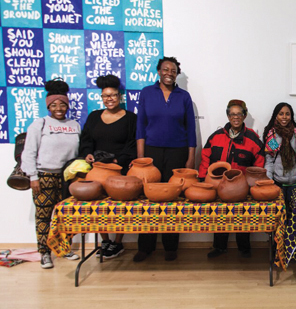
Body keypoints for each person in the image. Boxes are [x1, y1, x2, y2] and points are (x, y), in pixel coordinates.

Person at [134, 57, 197, 262]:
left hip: (177, 152)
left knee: (173, 200)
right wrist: (141, 158)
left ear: (177, 73)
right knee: (148, 200)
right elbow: (140, 126)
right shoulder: (147, 93)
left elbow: (190, 130)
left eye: (173, 70)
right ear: (158, 71)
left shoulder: (184, 96)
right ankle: (146, 247)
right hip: (151, 152)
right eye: (165, 69)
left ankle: (170, 246)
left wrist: (190, 160)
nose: (169, 72)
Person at [21, 79, 81, 269]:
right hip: (44, 176)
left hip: (66, 179)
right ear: (48, 106)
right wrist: (33, 177)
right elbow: (29, 152)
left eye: (62, 104)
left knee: (66, 215)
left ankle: (63, 249)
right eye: (54, 104)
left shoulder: (75, 125)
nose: (58, 108)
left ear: (67, 105)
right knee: (44, 216)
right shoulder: (40, 124)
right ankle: (44, 253)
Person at [79, 75, 137, 259]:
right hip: (97, 169)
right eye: (105, 96)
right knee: (98, 205)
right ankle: (105, 240)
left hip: (120, 169)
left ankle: (118, 242)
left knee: (120, 206)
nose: (109, 99)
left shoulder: (130, 118)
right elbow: (86, 139)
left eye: (112, 95)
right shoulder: (94, 116)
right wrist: (87, 153)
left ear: (120, 97)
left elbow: (132, 144)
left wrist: (119, 162)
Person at [198, 100, 265, 258]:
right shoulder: (216, 137)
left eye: (239, 114)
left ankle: (244, 248)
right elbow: (205, 158)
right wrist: (202, 179)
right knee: (220, 216)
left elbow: (259, 163)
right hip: (219, 186)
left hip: (242, 187)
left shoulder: (253, 139)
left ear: (245, 115)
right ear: (228, 116)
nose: (236, 117)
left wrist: (252, 185)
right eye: (232, 114)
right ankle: (219, 247)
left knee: (243, 217)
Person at [263, 103, 296, 208]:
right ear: (276, 115)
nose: (284, 117)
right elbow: (269, 161)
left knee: (294, 215)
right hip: (278, 184)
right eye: (281, 114)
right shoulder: (271, 135)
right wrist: (268, 182)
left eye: (287, 114)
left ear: (291, 116)